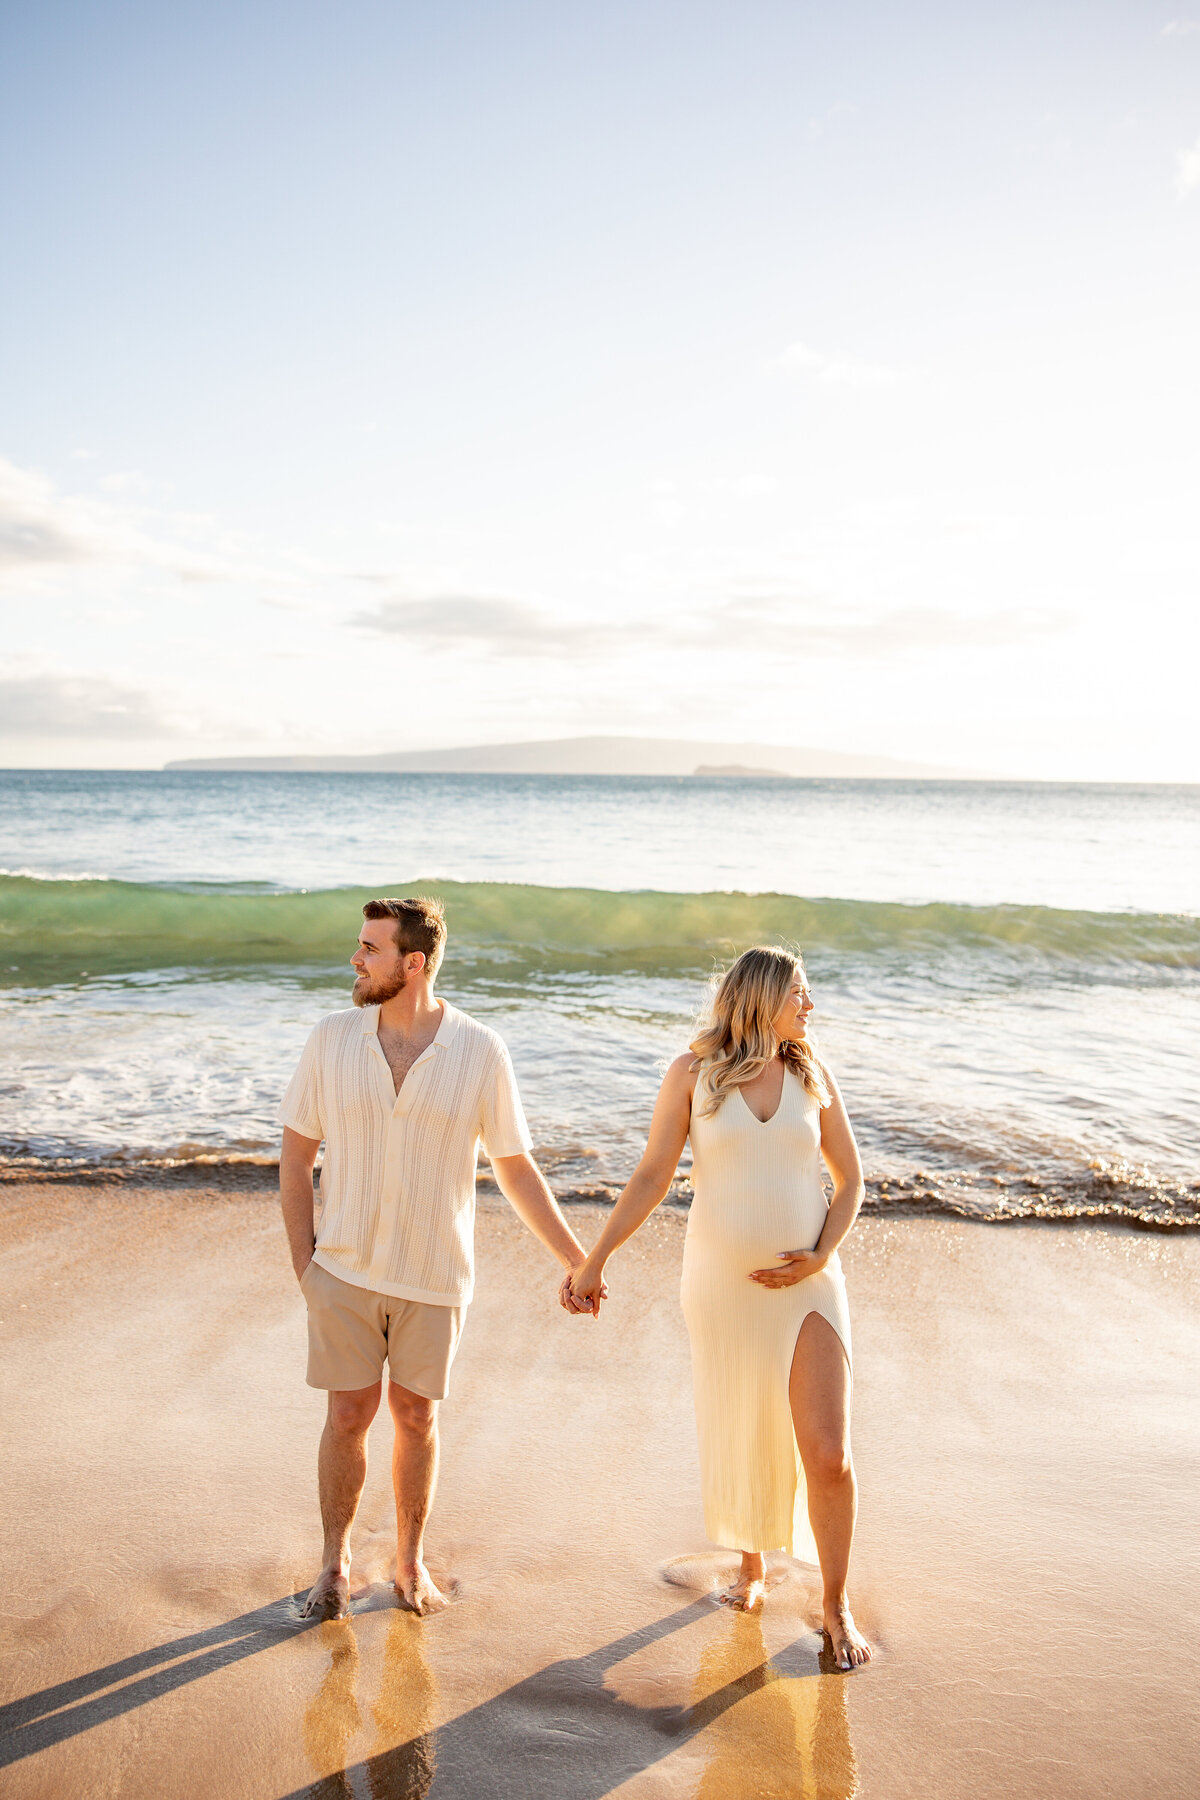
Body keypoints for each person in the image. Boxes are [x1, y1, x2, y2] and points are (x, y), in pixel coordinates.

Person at [279, 895, 594, 1619]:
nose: (355, 960)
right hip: (344, 1270)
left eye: (370, 949)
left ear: (412, 963)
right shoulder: (331, 1038)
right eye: (359, 946)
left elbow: (514, 1168)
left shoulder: (480, 1050)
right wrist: (307, 1265)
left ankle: (410, 1562)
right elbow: (296, 1157)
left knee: (416, 1418)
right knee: (348, 1415)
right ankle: (333, 1564)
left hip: (435, 1274)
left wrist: (578, 1260)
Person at [563, 946, 872, 1669]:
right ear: (761, 997)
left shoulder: (812, 1076)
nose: (811, 1006)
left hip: (811, 1287)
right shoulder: (692, 1076)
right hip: (720, 1287)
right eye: (800, 992)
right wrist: (594, 1258)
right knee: (742, 1426)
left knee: (828, 1453)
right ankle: (751, 1567)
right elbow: (649, 1175)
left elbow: (852, 1179)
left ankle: (835, 1603)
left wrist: (823, 1251)